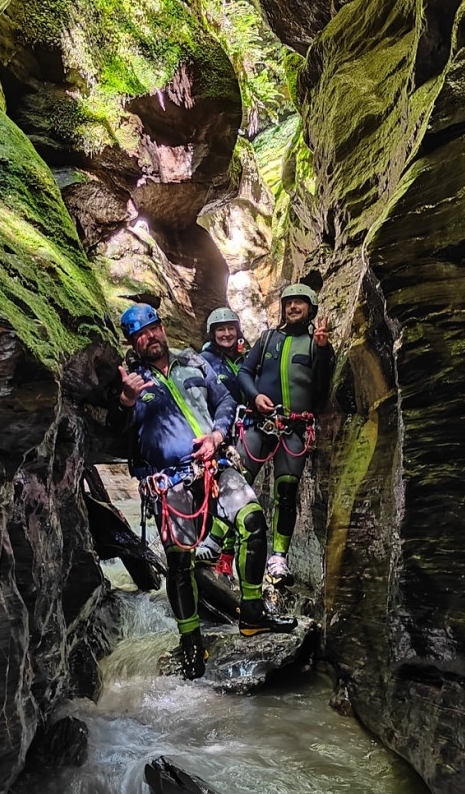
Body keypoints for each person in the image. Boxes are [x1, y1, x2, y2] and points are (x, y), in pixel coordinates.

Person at [108, 303, 295, 681]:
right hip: (169, 482)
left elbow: (225, 400)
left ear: (162, 328)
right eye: (140, 335)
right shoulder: (129, 382)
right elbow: (115, 435)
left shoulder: (194, 361)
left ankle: (253, 613)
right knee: (179, 562)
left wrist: (217, 434)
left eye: (153, 328)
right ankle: (191, 639)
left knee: (253, 520)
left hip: (216, 467)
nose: (150, 338)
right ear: (132, 341)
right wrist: (126, 402)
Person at [236, 284, 334, 586]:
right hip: (259, 423)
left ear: (310, 309)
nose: (293, 307)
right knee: (236, 485)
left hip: (294, 430)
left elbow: (321, 388)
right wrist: (254, 397)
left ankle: (278, 558)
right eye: (289, 303)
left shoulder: (316, 343)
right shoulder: (267, 339)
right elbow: (244, 373)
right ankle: (221, 548)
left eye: (299, 304)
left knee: (287, 493)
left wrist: (322, 349)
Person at [197, 307, 246, 576]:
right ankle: (212, 554)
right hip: (216, 437)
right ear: (212, 333)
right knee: (216, 495)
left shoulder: (244, 359)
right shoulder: (204, 361)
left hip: (243, 435)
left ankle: (226, 559)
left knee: (237, 495)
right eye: (220, 329)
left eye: (230, 328)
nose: (226, 334)